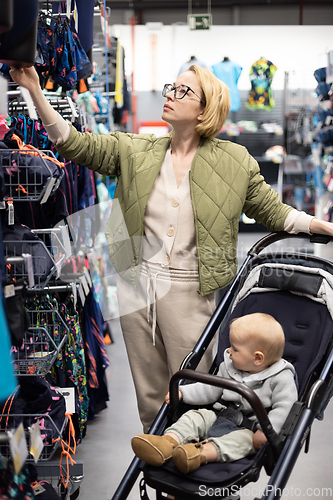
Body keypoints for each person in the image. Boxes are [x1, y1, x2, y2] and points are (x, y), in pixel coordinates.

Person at [9, 64, 333, 433]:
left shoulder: (235, 161)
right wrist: (35, 90)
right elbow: (74, 143)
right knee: (150, 398)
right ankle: (159, 473)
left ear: (204, 109)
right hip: (136, 287)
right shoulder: (134, 149)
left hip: (191, 290)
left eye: (182, 91)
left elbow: (272, 211)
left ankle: (193, 474)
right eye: (170, 88)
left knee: (196, 390)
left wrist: (316, 224)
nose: (169, 95)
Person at [131, 313, 298, 474]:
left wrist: (267, 430)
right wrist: (183, 392)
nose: (228, 351)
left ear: (257, 358)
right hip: (219, 415)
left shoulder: (281, 377)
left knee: (239, 442)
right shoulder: (229, 367)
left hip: (250, 428)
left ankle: (198, 454)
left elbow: (285, 406)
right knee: (195, 416)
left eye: (235, 349)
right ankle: (167, 442)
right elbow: (210, 389)